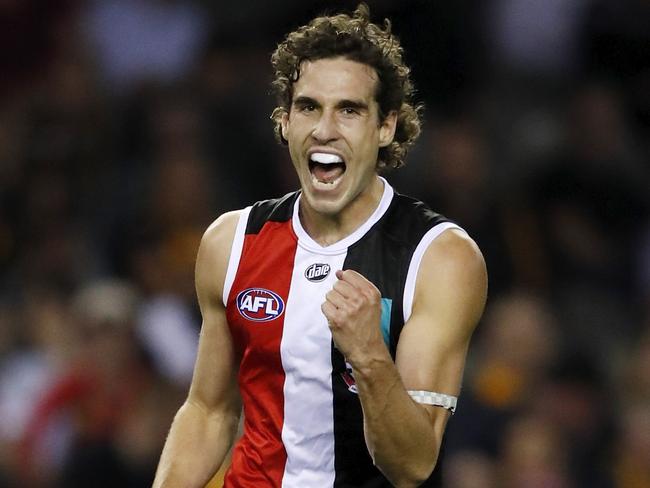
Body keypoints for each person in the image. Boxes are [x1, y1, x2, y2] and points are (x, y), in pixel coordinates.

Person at [153, 4, 487, 487]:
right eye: (308, 106)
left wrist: (369, 354)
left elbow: (411, 465)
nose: (324, 129)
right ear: (285, 121)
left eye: (348, 110)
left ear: (386, 126)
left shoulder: (440, 258)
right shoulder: (232, 242)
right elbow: (208, 411)